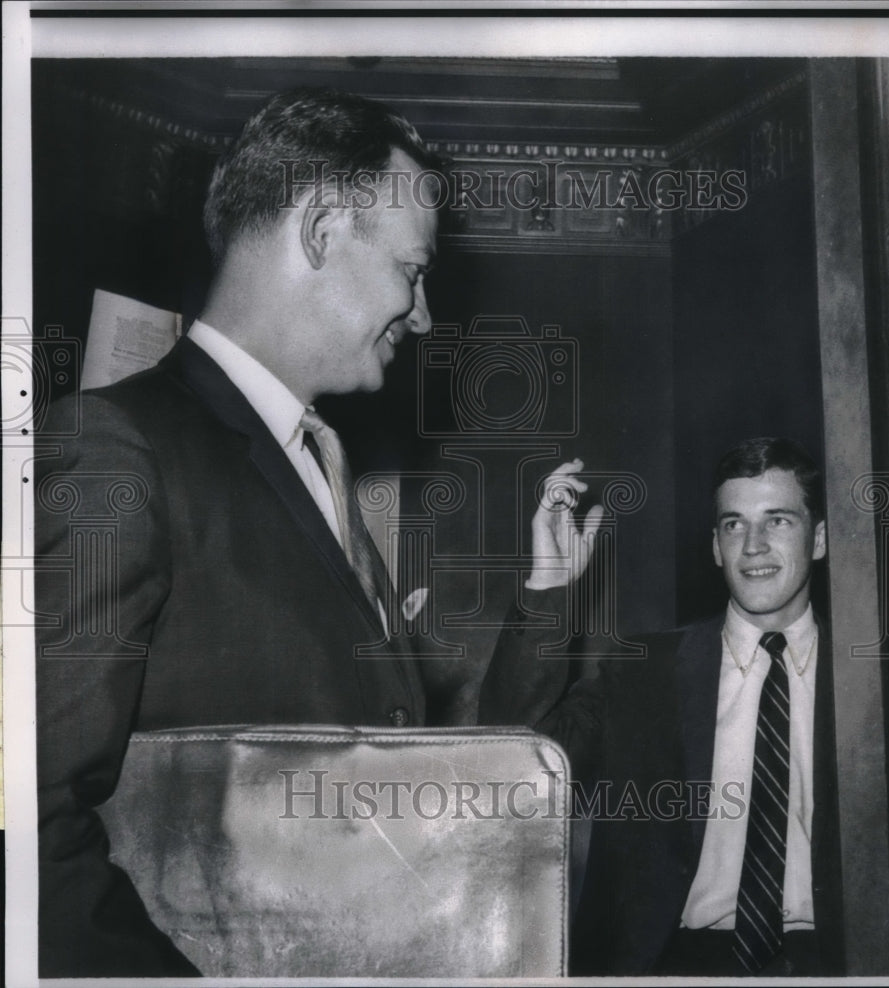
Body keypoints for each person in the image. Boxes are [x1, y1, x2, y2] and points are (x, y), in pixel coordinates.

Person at [33, 87, 603, 978]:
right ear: (322, 229)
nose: (424, 316)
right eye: (413, 272)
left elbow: (411, 779)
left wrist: (544, 601)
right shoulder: (114, 449)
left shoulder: (317, 467)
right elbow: (23, 822)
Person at [480, 437, 845, 976]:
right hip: (675, 964)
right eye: (733, 524)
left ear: (818, 538)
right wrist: (548, 586)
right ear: (715, 547)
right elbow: (512, 761)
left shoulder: (871, 683)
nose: (753, 545)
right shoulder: (640, 673)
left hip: (837, 962)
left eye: (778, 521)